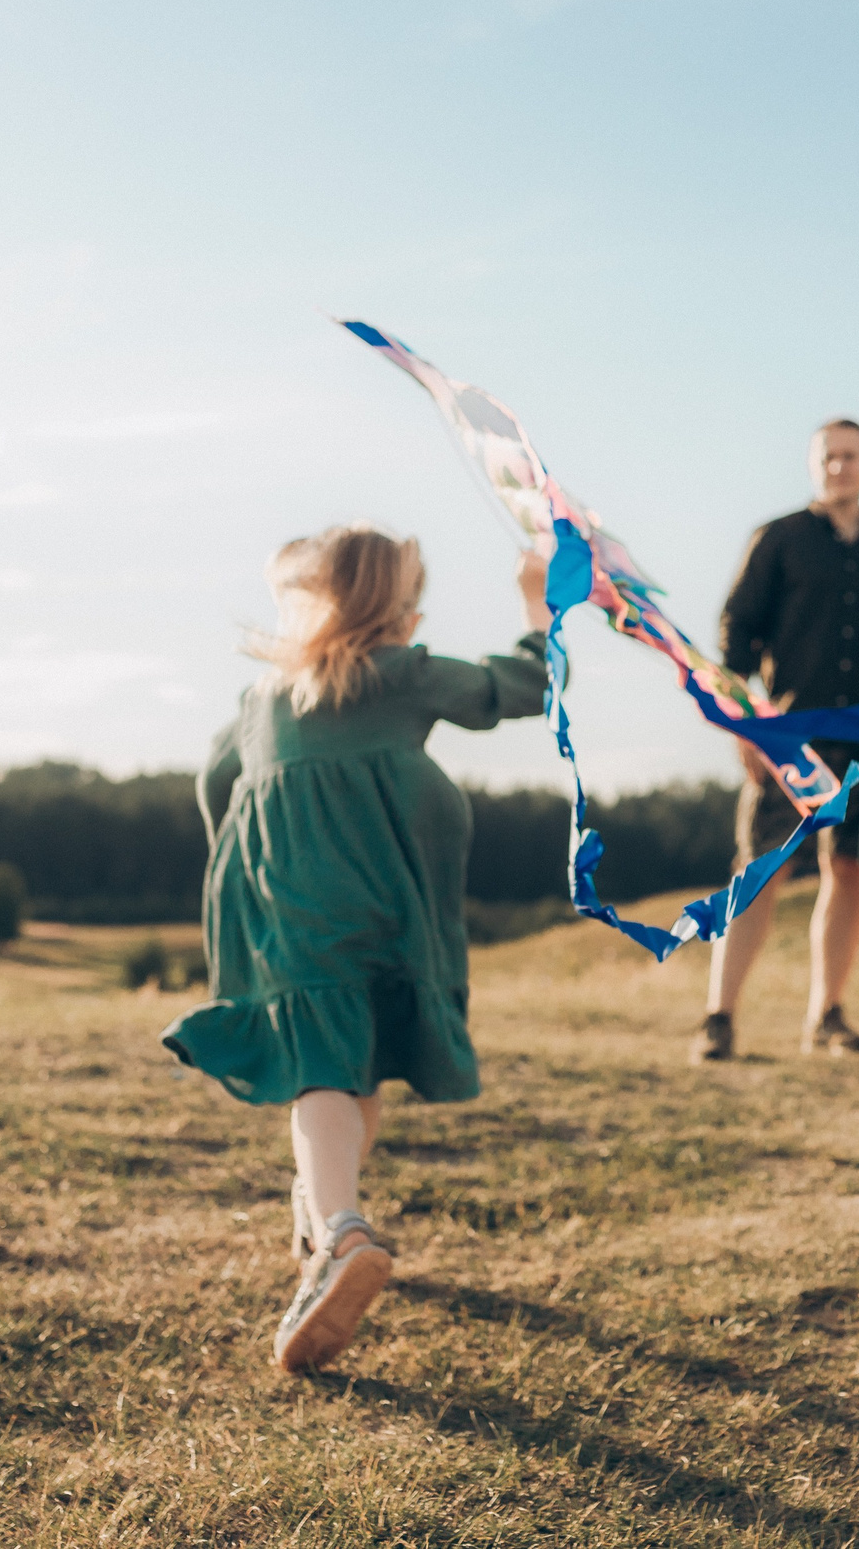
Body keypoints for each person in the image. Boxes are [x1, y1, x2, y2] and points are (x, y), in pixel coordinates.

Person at [162, 523, 556, 1373]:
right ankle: (329, 1225)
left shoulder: (265, 696)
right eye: (412, 594)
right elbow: (520, 687)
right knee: (356, 1060)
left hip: (293, 901)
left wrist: (247, 862)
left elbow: (212, 784)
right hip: (387, 897)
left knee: (323, 1064)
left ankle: (332, 1226)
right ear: (388, 609)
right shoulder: (400, 675)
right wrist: (538, 604)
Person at [691, 419, 859, 1063]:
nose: (839, 467)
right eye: (828, 457)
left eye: (850, 456)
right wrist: (744, 725)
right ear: (814, 466)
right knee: (759, 872)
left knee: (847, 872)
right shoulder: (779, 538)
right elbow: (736, 628)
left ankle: (828, 1016)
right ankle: (718, 1018)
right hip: (787, 736)